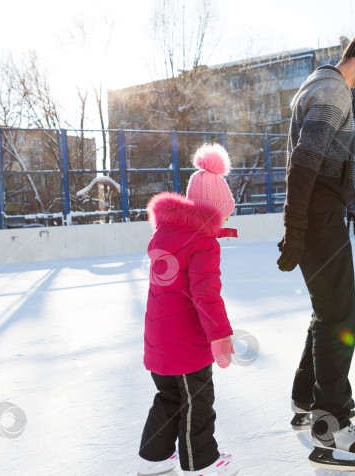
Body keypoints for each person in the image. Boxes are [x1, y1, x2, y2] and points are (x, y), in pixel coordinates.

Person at [277, 19, 355, 472]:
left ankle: (306, 401)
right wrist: (297, 228)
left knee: (327, 313)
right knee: (342, 317)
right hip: (319, 219)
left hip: (320, 216)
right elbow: (302, 165)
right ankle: (332, 430)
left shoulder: (322, 82)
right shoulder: (332, 91)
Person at [138, 143, 239, 476]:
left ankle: (153, 460)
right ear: (213, 211)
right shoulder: (202, 243)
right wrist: (221, 336)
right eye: (224, 214)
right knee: (198, 401)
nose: (225, 221)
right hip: (186, 345)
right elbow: (205, 295)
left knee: (168, 398)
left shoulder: (166, 232)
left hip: (158, 338)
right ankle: (203, 463)